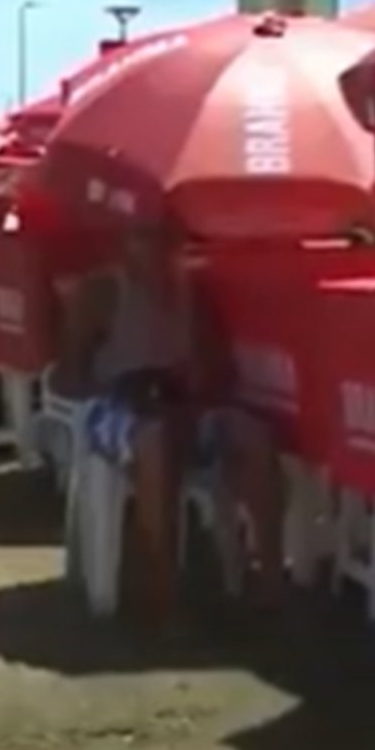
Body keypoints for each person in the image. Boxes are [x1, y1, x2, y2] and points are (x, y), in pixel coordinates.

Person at [54, 215, 285, 634]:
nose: (160, 251)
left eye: (168, 241)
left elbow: (222, 370)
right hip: (115, 407)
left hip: (185, 404)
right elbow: (66, 377)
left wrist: (196, 378)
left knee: (253, 434)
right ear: (126, 242)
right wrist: (126, 386)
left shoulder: (193, 293)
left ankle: (270, 580)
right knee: (156, 441)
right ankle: (161, 590)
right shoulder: (102, 292)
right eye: (147, 238)